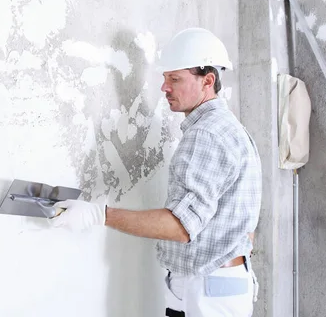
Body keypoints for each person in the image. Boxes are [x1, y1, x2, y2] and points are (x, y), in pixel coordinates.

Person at [50, 28, 262, 317]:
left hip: (207, 287)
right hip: (222, 281)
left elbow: (180, 226)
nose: (164, 88)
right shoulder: (232, 130)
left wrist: (98, 214)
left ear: (207, 81)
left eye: (175, 79)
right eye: (164, 79)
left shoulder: (206, 135)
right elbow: (245, 227)